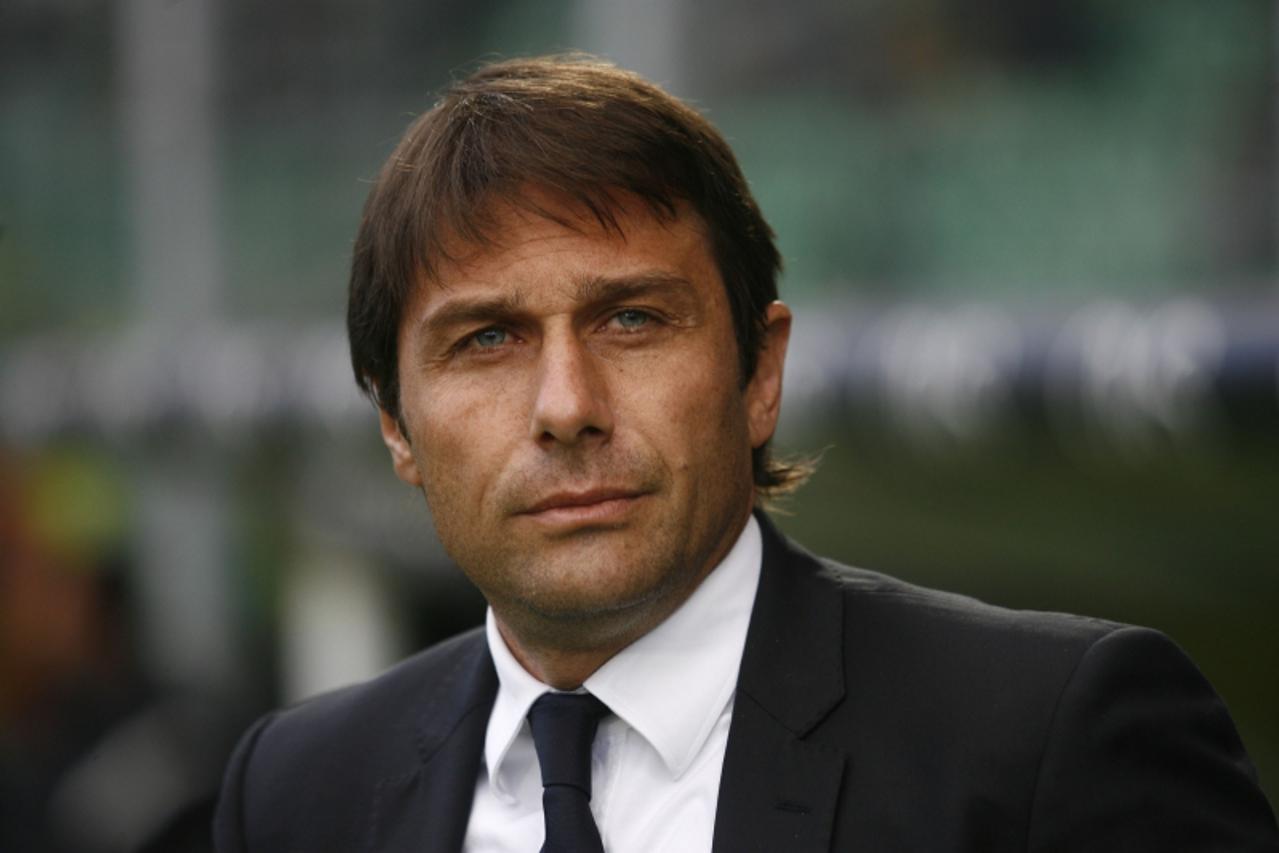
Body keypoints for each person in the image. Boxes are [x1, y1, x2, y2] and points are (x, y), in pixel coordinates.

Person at [214, 55, 1279, 852]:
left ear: (758, 373)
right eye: (486, 339)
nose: (566, 406)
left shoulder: (1051, 741)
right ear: (396, 425)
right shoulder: (296, 790)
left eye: (631, 319)